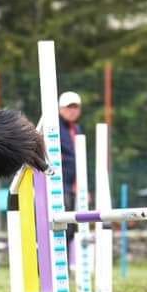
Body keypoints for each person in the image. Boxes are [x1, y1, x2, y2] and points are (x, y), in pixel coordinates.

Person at [58, 91, 83, 252]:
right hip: (58, 186)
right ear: (60, 109)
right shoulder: (53, 127)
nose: (72, 111)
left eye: (75, 107)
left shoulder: (77, 129)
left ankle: (64, 265)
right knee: (63, 228)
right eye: (69, 107)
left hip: (74, 187)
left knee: (71, 230)